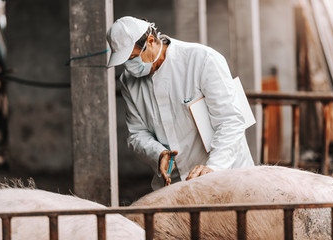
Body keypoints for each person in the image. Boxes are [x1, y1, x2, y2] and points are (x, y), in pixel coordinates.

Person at [107, 16, 254, 190]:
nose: (129, 67)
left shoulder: (202, 60)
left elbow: (230, 120)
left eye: (132, 58)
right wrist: (159, 154)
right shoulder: (128, 81)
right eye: (125, 62)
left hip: (226, 174)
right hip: (176, 185)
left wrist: (214, 167)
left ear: (151, 41)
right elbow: (137, 134)